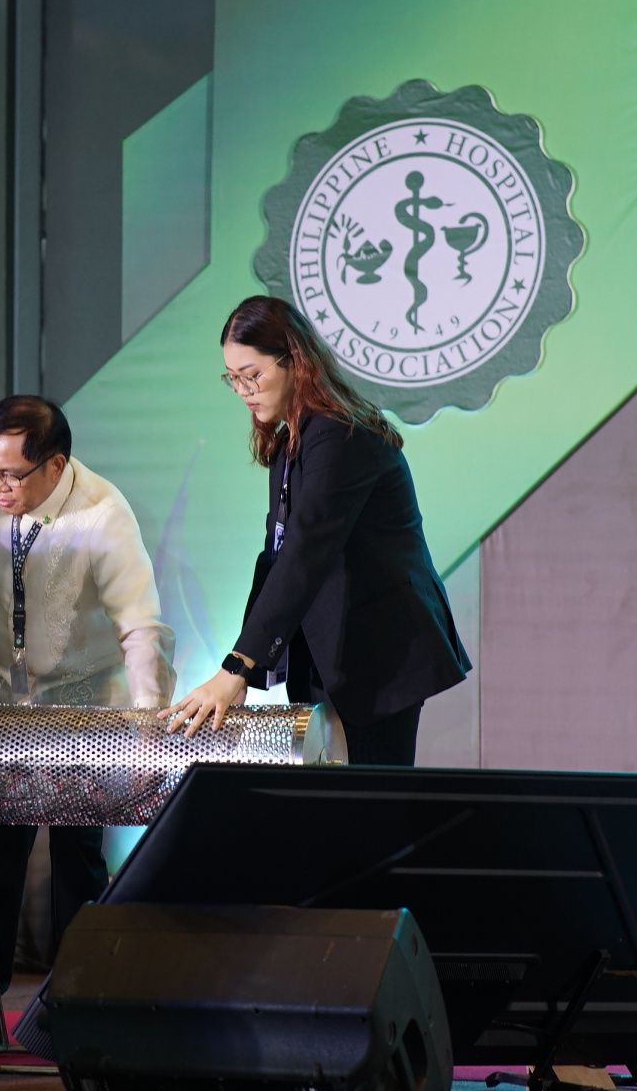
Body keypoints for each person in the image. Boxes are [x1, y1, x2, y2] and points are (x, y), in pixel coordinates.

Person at [0, 395, 175, 1057]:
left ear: (55, 465)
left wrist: (148, 718)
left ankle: (78, 1008)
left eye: (12, 474)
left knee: (76, 861)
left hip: (84, 706)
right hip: (0, 700)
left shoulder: (102, 513)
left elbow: (140, 625)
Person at [162, 295, 469, 763]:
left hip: (380, 654)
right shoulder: (291, 440)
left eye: (252, 374)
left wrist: (236, 668)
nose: (243, 390)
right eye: (233, 378)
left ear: (295, 361)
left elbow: (304, 555)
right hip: (329, 654)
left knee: (370, 802)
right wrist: (241, 667)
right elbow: (274, 558)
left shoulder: (342, 434)